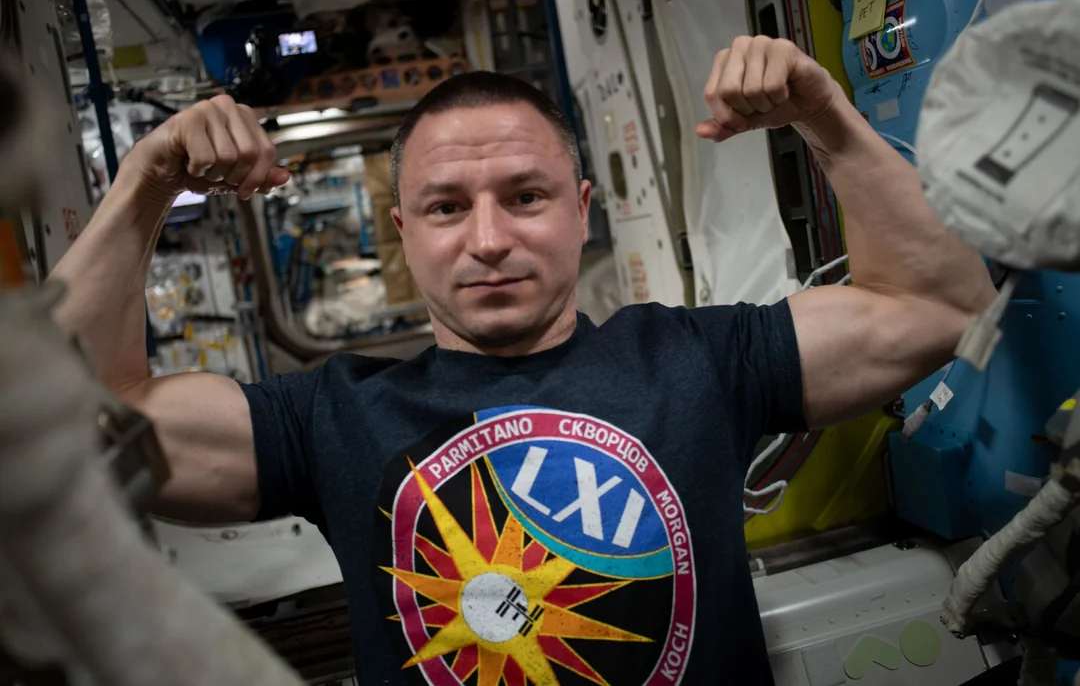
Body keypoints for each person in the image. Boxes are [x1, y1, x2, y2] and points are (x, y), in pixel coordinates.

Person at [50, 35, 994, 684]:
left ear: (582, 210)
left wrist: (823, 113)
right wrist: (146, 182)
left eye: (526, 196)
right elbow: (67, 424)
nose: (489, 238)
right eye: (447, 207)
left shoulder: (700, 359)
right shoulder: (328, 416)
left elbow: (939, 304)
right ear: (403, 232)